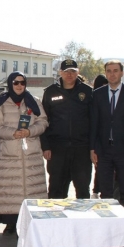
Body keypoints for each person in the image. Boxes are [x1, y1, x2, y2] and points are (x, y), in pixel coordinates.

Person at [0, 71, 48, 235]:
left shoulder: (34, 102)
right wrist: (12, 133)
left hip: (31, 153)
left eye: (22, 82)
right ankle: (10, 222)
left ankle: (33, 220)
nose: (19, 85)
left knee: (32, 187)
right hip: (10, 153)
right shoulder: (0, 103)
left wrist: (30, 131)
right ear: (10, 83)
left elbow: (43, 122)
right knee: (10, 189)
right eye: (15, 82)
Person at [90, 60, 124, 212]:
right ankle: (107, 224)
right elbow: (94, 123)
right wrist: (92, 148)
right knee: (106, 193)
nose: (112, 74)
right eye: (109, 71)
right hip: (103, 151)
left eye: (115, 70)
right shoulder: (97, 94)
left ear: (122, 73)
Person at [41, 59, 93, 199]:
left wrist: (93, 148)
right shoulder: (51, 92)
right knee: (56, 190)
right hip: (58, 149)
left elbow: (94, 122)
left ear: (78, 72)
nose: (69, 74)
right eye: (66, 71)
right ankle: (55, 220)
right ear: (60, 73)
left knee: (82, 190)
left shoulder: (87, 92)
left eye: (73, 71)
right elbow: (43, 120)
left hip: (81, 149)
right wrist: (45, 146)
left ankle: (81, 221)